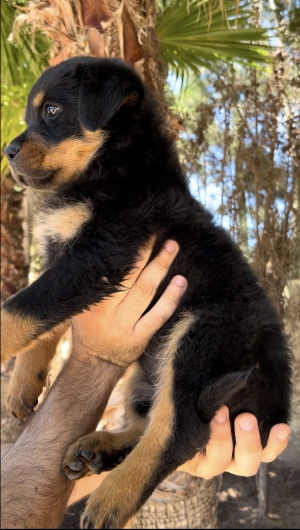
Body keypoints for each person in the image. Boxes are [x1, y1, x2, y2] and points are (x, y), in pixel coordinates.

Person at [1, 240, 290, 529]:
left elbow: (77, 275)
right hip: (191, 378)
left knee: (193, 345)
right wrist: (92, 358)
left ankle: (152, 448)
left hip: (231, 368)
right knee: (156, 392)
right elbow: (69, 278)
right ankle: (139, 440)